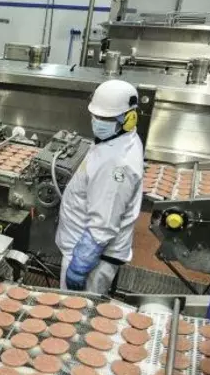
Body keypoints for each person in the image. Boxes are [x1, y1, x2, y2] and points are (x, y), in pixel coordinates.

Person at [55, 79, 144, 294]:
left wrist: (80, 266)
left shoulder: (117, 164)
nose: (97, 122)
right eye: (96, 115)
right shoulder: (120, 139)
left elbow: (103, 225)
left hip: (91, 257)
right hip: (82, 246)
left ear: (129, 118)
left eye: (106, 118)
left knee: (77, 316)